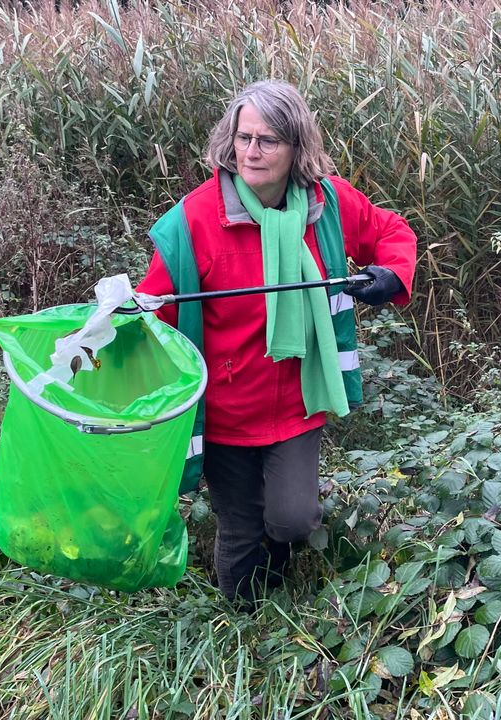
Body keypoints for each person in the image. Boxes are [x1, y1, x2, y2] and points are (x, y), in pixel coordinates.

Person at [136, 79, 418, 605]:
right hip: (225, 409)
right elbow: (155, 308)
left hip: (298, 399)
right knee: (241, 527)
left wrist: (391, 274)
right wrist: (120, 323)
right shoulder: (196, 219)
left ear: (296, 148)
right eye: (243, 138)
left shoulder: (327, 204)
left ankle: (278, 566)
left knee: (291, 520)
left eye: (268, 140)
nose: (251, 151)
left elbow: (391, 231)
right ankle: (244, 628)